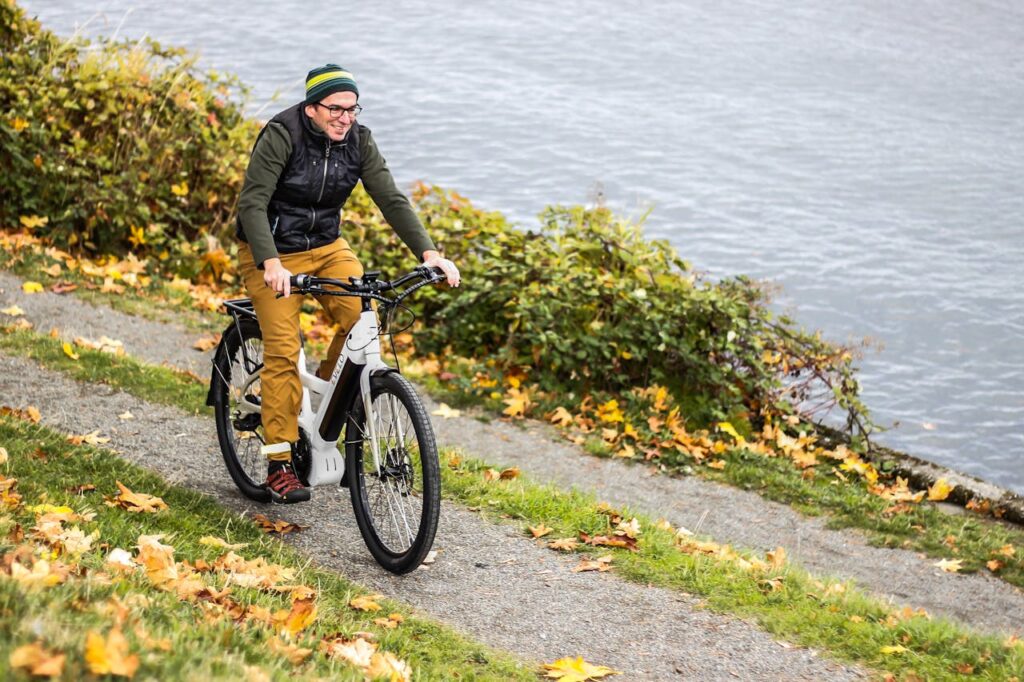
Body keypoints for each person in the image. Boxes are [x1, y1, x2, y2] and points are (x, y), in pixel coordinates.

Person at [235, 64, 460, 504]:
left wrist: (430, 253)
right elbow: (253, 202)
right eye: (336, 109)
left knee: (364, 321)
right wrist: (270, 262)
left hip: (327, 245)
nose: (345, 118)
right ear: (313, 108)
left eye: (352, 109)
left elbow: (389, 197)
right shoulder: (282, 134)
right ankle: (280, 462)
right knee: (281, 346)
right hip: (272, 251)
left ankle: (323, 402)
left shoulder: (358, 139)